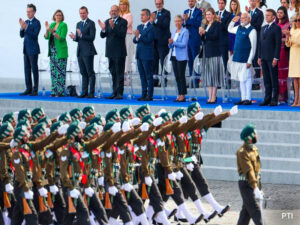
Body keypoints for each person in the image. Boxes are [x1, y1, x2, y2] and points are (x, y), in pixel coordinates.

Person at [236, 123, 263, 225]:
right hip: (246, 184)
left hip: (253, 183)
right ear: (250, 137)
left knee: (246, 213)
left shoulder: (254, 149)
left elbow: (257, 171)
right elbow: (249, 170)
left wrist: (259, 187)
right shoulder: (242, 152)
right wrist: (255, 188)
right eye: (255, 134)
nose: (257, 136)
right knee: (256, 211)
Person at [99, 5, 128, 100]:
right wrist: (103, 29)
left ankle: (119, 93)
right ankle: (114, 92)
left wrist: (113, 26)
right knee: (113, 73)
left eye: (115, 11)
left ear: (118, 11)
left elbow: (122, 34)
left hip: (119, 52)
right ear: (109, 12)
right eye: (112, 11)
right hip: (110, 52)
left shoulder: (123, 21)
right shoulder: (107, 21)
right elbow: (103, 36)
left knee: (119, 73)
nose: (113, 12)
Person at [228, 13, 257, 105]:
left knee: (247, 78)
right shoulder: (239, 28)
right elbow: (229, 29)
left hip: (245, 59)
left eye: (244, 18)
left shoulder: (252, 30)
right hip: (237, 58)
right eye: (241, 18)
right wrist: (233, 21)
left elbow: (253, 47)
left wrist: (249, 60)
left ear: (249, 19)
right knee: (241, 79)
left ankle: (248, 98)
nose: (242, 20)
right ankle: (243, 98)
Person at [69, 6, 97, 99]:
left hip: (88, 51)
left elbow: (92, 37)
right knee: (83, 73)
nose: (82, 15)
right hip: (80, 51)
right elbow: (79, 39)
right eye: (80, 13)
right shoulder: (78, 24)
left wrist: (81, 34)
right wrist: (74, 37)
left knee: (90, 73)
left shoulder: (91, 23)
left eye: (84, 13)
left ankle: (91, 93)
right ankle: (84, 92)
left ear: (87, 13)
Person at [199, 8, 225, 104]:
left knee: (214, 76)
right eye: (207, 15)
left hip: (214, 53)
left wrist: (205, 32)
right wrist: (201, 34)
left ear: (213, 15)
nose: (208, 16)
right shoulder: (207, 25)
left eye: (210, 14)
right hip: (207, 52)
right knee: (209, 76)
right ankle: (210, 96)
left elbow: (214, 36)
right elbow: (206, 39)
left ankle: (214, 96)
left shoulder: (217, 24)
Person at [258, 9, 282, 106]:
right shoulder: (263, 28)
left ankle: (274, 99)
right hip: (263, 57)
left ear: (273, 17)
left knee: (273, 79)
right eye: (266, 15)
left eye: (268, 15)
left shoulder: (276, 28)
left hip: (272, 58)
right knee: (266, 79)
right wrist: (259, 56)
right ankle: (267, 98)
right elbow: (260, 43)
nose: (266, 17)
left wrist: (276, 57)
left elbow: (278, 44)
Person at [44, 10, 68, 97]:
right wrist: (47, 30)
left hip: (60, 51)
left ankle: (60, 92)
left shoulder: (63, 25)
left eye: (60, 15)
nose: (58, 16)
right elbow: (46, 37)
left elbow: (61, 38)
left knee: (60, 72)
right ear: (54, 16)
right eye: (57, 15)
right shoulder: (52, 25)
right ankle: (54, 91)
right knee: (53, 72)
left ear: (62, 17)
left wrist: (52, 31)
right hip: (52, 51)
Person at [133, 9, 155, 101]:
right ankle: (143, 94)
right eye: (140, 15)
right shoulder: (139, 26)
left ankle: (149, 95)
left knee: (148, 76)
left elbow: (149, 40)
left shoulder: (151, 27)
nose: (141, 17)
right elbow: (135, 40)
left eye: (143, 15)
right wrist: (137, 37)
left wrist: (140, 36)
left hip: (147, 55)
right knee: (142, 76)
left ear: (148, 16)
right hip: (139, 54)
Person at [19, 4, 41, 96]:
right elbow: (21, 35)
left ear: (34, 12)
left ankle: (35, 90)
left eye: (29, 11)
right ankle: (28, 88)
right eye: (27, 12)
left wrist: (26, 28)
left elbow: (34, 35)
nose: (28, 13)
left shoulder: (37, 22)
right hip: (26, 49)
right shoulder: (26, 22)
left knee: (34, 69)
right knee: (27, 70)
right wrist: (22, 28)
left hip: (33, 49)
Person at [168, 15, 189, 102]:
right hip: (173, 55)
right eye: (176, 21)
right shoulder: (174, 31)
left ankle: (182, 95)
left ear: (182, 22)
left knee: (181, 76)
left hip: (182, 57)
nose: (177, 23)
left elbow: (183, 44)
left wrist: (174, 42)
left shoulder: (185, 31)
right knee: (177, 76)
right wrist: (170, 43)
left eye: (179, 21)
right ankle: (179, 94)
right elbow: (171, 45)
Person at [151, 0, 171, 87]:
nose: (158, 5)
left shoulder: (166, 13)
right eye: (156, 4)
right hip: (154, 42)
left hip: (163, 41)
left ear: (163, 4)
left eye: (159, 4)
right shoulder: (153, 13)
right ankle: (155, 80)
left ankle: (163, 80)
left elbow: (165, 25)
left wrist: (155, 20)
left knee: (163, 61)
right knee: (154, 62)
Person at [246, 0, 264, 90]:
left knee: (256, 60)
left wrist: (249, 24)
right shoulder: (248, 13)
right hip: (247, 39)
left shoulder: (259, 12)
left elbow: (258, 25)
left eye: (253, 0)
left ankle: (257, 82)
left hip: (256, 38)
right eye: (250, 0)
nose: (252, 2)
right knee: (249, 60)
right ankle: (250, 81)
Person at [183, 0, 202, 77]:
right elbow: (184, 25)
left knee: (195, 60)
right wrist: (184, 21)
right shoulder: (186, 11)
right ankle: (191, 79)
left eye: (192, 1)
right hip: (187, 39)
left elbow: (197, 23)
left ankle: (196, 80)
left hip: (195, 39)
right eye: (189, 1)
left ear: (195, 2)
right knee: (189, 60)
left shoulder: (198, 12)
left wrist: (188, 20)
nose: (190, 3)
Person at [276, 6, 290, 103]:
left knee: (283, 73)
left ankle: (283, 95)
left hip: (283, 51)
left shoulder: (288, 25)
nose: (279, 14)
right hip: (275, 50)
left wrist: (281, 39)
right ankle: (277, 94)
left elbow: (290, 39)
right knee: (276, 72)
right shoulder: (275, 24)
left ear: (284, 14)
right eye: (278, 12)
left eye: (281, 12)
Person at [286, 12, 300, 106]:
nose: (298, 22)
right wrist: (287, 37)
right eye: (296, 20)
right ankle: (296, 100)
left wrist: (290, 36)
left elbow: (299, 42)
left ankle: (299, 100)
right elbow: (288, 44)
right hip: (293, 55)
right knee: (295, 79)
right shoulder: (292, 30)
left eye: (299, 20)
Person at [216, 0, 231, 75]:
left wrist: (220, 22)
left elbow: (227, 28)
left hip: (223, 42)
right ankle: (217, 83)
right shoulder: (214, 14)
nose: (220, 5)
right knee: (216, 63)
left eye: (222, 3)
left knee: (225, 61)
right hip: (214, 42)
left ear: (225, 4)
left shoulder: (228, 14)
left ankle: (227, 82)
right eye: (219, 3)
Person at [119, 0, 134, 76]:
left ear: (127, 5)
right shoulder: (119, 15)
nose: (123, 6)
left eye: (124, 4)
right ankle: (121, 74)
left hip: (127, 36)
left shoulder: (129, 15)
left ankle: (126, 75)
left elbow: (126, 25)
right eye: (121, 4)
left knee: (127, 55)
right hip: (120, 37)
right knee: (120, 55)